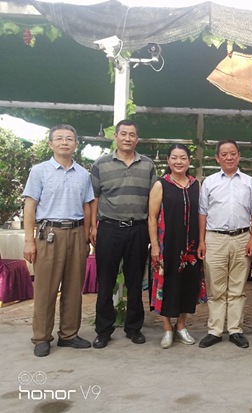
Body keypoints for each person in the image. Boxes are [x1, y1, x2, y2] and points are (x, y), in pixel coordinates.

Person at [22, 124, 94, 357]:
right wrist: (29, 240)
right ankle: (42, 337)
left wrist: (86, 236)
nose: (65, 142)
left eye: (69, 139)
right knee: (46, 288)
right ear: (51, 144)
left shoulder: (83, 174)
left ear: (76, 144)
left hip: (76, 233)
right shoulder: (39, 171)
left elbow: (87, 205)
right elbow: (30, 206)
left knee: (74, 288)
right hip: (49, 234)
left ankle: (69, 335)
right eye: (60, 138)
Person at [90, 119, 157, 349]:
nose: (128, 138)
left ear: (137, 139)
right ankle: (103, 330)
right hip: (109, 228)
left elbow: (153, 200)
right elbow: (94, 197)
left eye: (132, 134)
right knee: (106, 282)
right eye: (124, 134)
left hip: (138, 229)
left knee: (135, 281)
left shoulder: (147, 165)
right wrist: (92, 226)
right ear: (116, 136)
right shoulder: (101, 164)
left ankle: (134, 328)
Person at [197, 140, 252, 349]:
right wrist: (201, 241)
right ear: (217, 158)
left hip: (242, 238)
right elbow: (202, 213)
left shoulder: (249, 182)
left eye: (232, 153)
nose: (229, 157)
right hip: (215, 238)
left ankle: (235, 330)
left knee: (237, 288)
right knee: (216, 288)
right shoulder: (209, 182)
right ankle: (215, 331)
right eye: (224, 154)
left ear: (238, 155)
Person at [148, 144, 203, 349]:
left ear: (189, 161)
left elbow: (201, 214)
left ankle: (181, 325)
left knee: (187, 284)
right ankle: (167, 328)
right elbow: (152, 217)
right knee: (166, 284)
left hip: (190, 247)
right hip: (167, 245)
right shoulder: (161, 185)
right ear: (168, 160)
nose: (178, 162)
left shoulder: (196, 185)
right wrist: (155, 245)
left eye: (183, 158)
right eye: (174, 157)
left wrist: (202, 241)